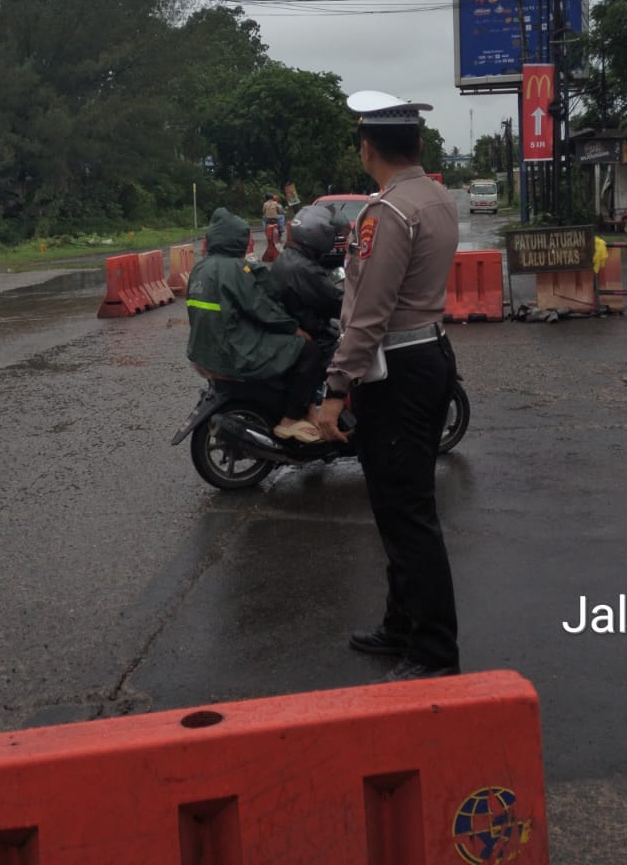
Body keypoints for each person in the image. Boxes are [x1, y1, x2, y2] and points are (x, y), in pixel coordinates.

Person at [313, 90, 460, 682]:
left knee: (407, 514)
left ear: (366, 148)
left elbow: (369, 313)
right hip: (429, 355)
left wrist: (334, 390)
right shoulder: (438, 198)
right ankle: (400, 624)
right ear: (418, 144)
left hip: (396, 371)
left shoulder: (388, 213)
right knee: (400, 508)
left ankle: (434, 651)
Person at [185, 207, 323, 443]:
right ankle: (290, 420)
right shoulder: (234, 269)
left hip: (203, 351)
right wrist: (294, 328)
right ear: (236, 240)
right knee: (309, 350)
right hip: (233, 351)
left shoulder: (201, 267)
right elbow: (262, 309)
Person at [267, 204, 344, 338]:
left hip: (295, 325)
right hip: (312, 335)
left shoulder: (287, 255)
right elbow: (337, 303)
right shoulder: (305, 269)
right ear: (317, 234)